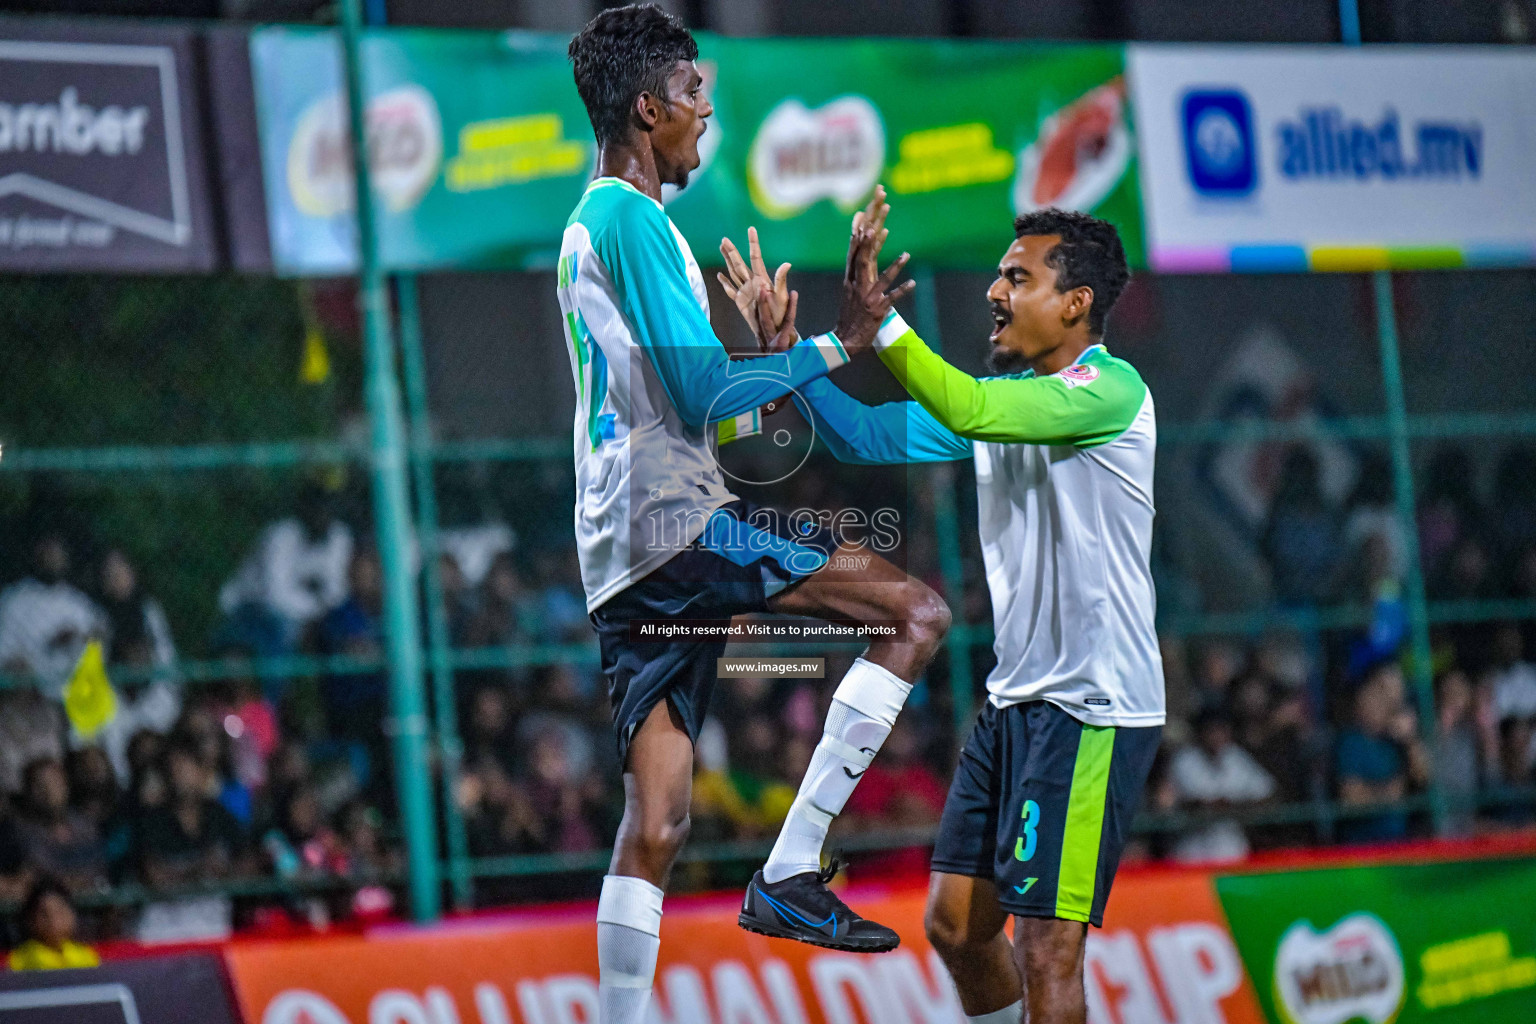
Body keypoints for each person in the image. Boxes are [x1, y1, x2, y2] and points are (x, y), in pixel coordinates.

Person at [562, 8, 949, 1021]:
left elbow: (716, 415)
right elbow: (701, 401)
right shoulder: (630, 220)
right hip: (671, 525)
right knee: (915, 615)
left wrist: (774, 358)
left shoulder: (596, 226)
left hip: (618, 544)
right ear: (648, 108)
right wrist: (833, 343)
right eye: (695, 95)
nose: (706, 114)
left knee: (660, 814)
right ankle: (789, 870)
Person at [723, 205, 1161, 1024]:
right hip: (1013, 705)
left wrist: (879, 324)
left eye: (1017, 277)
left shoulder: (1109, 391)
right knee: (957, 928)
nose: (994, 290)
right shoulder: (1004, 401)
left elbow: (963, 407)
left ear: (1075, 305)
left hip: (1091, 710)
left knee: (1047, 952)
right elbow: (863, 437)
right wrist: (793, 361)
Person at [0, 533, 107, 697]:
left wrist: (80, 639)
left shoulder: (77, 602)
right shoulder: (15, 600)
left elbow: (99, 639)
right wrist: (47, 648)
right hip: (29, 695)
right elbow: (6, 655)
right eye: (48, 551)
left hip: (78, 693)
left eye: (58, 552)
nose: (54, 557)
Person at [1335, 661, 1430, 844]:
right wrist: (1390, 791)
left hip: (1399, 845)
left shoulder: (1398, 741)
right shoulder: (1351, 742)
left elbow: (1425, 778)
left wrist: (1411, 740)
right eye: (1380, 692)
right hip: (1363, 848)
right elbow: (1352, 798)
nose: (1389, 702)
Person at [1168, 708, 1275, 863]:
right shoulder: (1185, 759)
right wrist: (1229, 805)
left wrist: (1238, 806)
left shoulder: (1235, 756)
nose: (1217, 736)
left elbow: (1269, 793)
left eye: (1222, 730)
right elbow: (1194, 804)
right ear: (1201, 733)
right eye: (1212, 730)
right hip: (1192, 854)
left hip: (1232, 851)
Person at [6, 877, 99, 971]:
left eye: (60, 912)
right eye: (44, 914)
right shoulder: (21, 959)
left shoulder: (85, 955)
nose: (54, 921)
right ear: (31, 920)